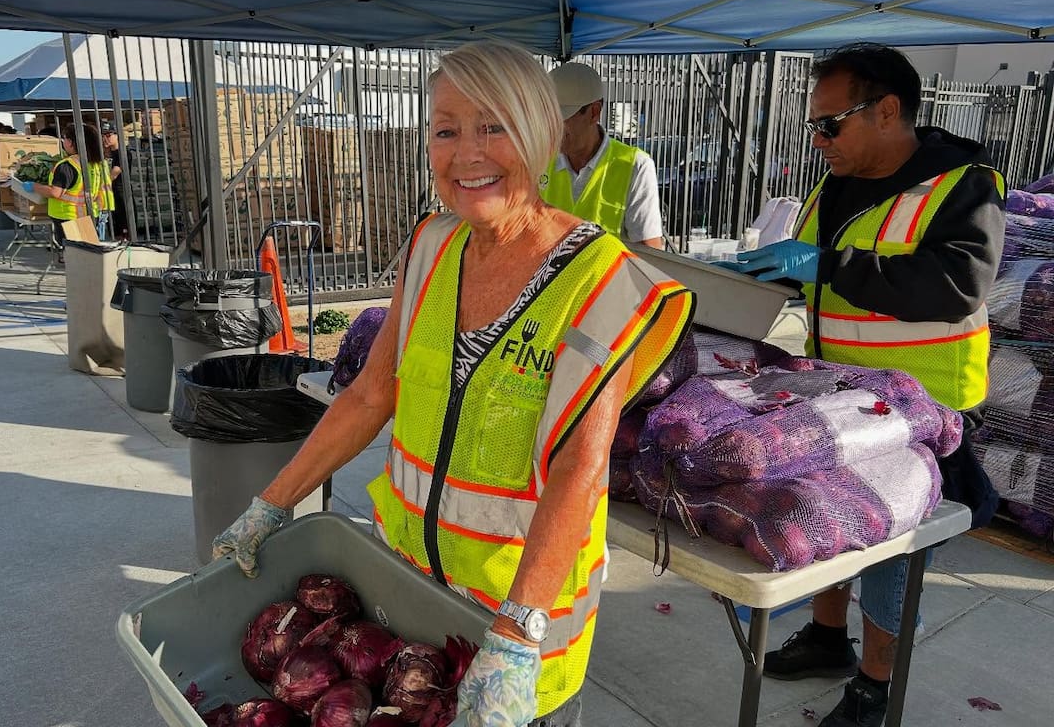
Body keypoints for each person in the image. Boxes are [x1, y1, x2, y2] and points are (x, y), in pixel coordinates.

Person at [213, 41, 696, 727]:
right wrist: (271, 503)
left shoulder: (601, 280)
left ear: (536, 132)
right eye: (446, 130)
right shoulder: (431, 245)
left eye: (492, 126)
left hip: (515, 623)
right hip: (406, 596)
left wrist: (517, 634)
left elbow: (579, 469)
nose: (467, 152)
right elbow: (371, 395)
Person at [733, 43, 1006, 727]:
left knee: (891, 547)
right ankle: (828, 637)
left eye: (831, 123)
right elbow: (816, 277)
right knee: (826, 518)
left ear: (886, 110)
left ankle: (875, 684)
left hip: (926, 406)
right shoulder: (834, 185)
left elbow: (956, 284)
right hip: (842, 397)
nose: (819, 139)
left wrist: (831, 264)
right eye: (814, 125)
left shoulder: (961, 184)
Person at [540, 62, 665, 249]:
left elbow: (650, 252)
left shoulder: (635, 166)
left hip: (610, 278)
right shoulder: (540, 161)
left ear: (594, 112)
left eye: (561, 117)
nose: (552, 127)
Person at [32, 123, 114, 250]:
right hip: (91, 213)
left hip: (67, 216)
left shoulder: (68, 165)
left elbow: (55, 192)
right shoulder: (99, 162)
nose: (63, 141)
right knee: (87, 251)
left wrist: (34, 186)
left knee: (73, 253)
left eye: (64, 138)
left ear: (71, 142)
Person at [101, 122, 129, 239]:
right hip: (109, 193)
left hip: (121, 193)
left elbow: (114, 174)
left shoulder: (123, 153)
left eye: (108, 135)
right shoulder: (107, 153)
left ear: (117, 135)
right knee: (114, 230)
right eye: (103, 135)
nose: (105, 138)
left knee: (124, 229)